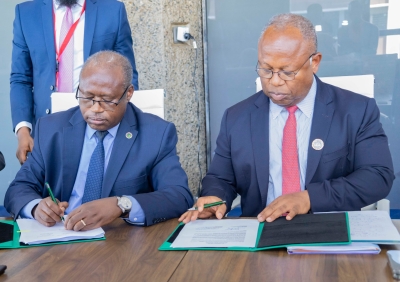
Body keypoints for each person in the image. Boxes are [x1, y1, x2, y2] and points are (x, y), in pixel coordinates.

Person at [179, 13, 394, 224]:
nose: (274, 81)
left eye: (287, 71)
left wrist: (309, 198)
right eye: (266, 69)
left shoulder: (356, 111)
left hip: (329, 231)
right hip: (261, 231)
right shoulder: (236, 118)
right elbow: (220, 178)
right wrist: (216, 197)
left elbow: (377, 176)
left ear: (315, 62)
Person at [5, 51, 193, 230]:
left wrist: (122, 205)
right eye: (87, 97)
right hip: (59, 237)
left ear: (128, 93)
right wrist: (36, 207)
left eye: (107, 100)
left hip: (122, 242)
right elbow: (19, 188)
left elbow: (179, 195)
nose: (95, 108)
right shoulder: (50, 129)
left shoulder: (156, 134)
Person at [11, 0, 139, 165]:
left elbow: (127, 74)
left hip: (99, 123)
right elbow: (21, 78)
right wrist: (23, 131)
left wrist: (127, 128)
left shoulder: (113, 10)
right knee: (50, 189)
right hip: (47, 128)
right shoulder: (26, 13)